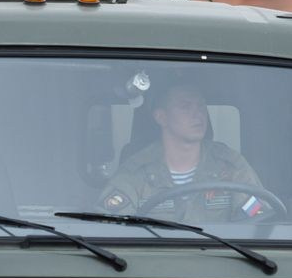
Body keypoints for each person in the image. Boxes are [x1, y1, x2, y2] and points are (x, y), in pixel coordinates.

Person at [99, 80, 278, 224]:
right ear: (161, 117)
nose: (198, 114)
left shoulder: (231, 165)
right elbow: (110, 227)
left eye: (201, 106)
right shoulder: (136, 171)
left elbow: (260, 222)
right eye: (185, 107)